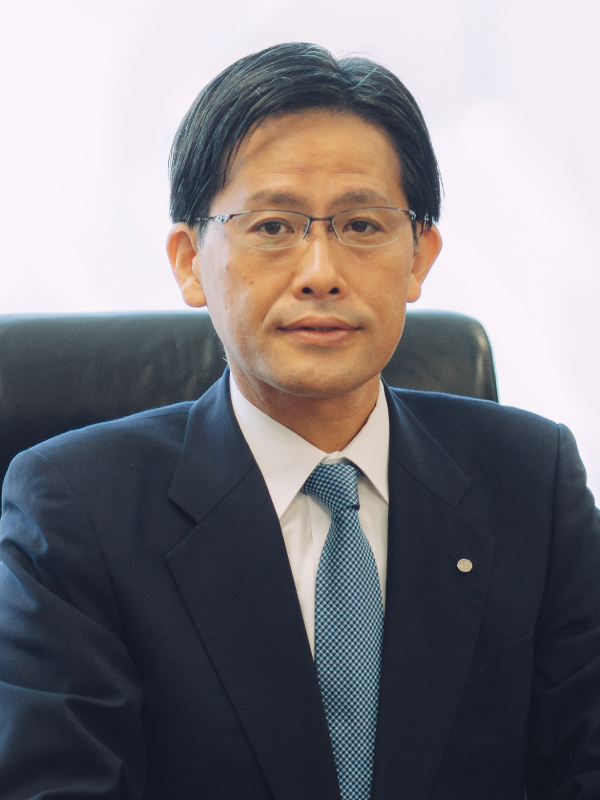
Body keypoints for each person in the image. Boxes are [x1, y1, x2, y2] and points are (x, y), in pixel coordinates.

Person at [1, 42, 599, 800]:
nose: (321, 272)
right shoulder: (76, 507)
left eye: (362, 225)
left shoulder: (531, 479)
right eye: (274, 226)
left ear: (420, 257)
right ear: (189, 260)